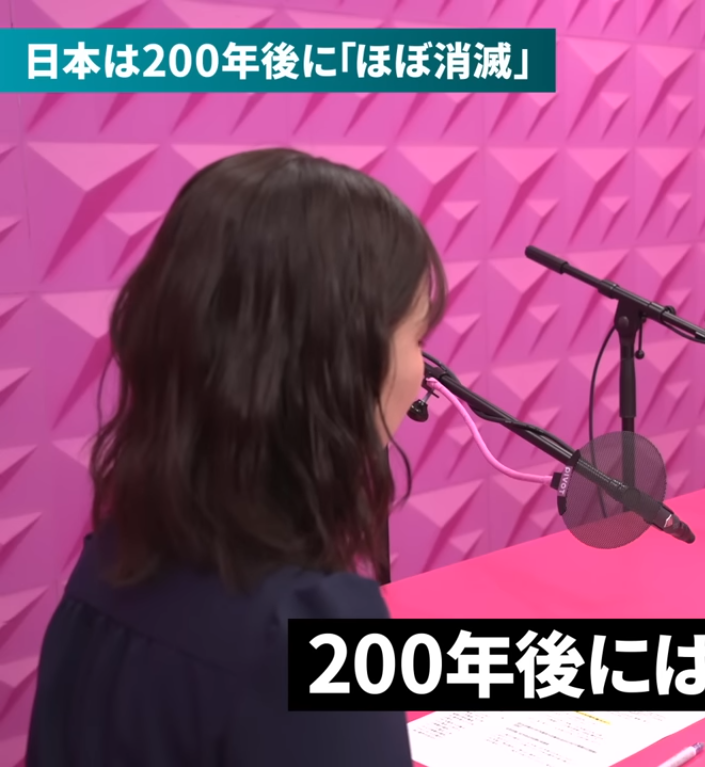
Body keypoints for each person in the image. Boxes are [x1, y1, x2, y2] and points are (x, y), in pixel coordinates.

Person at [26, 148, 447, 765]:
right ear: (335, 362)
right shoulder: (304, 634)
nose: (423, 371)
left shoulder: (109, 565)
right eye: (416, 337)